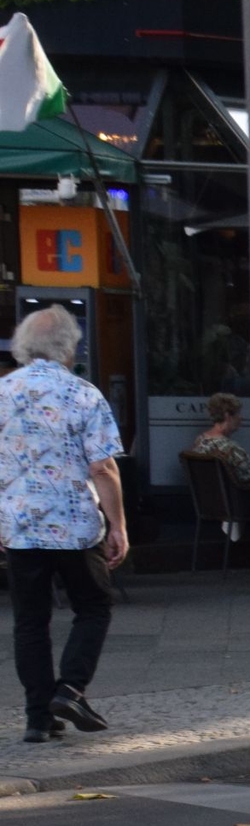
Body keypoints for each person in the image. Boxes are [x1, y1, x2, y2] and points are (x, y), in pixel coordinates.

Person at [1, 305, 127, 743]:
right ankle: (71, 689)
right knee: (94, 606)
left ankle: (38, 718)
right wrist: (118, 526)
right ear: (69, 348)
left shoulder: (2, 392)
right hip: (75, 527)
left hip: (19, 528)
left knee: (30, 622)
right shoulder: (83, 394)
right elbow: (103, 468)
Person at [187, 392, 250, 485]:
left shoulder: (199, 441)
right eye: (238, 413)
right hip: (235, 497)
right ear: (227, 416)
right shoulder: (232, 449)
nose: (241, 418)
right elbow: (248, 478)